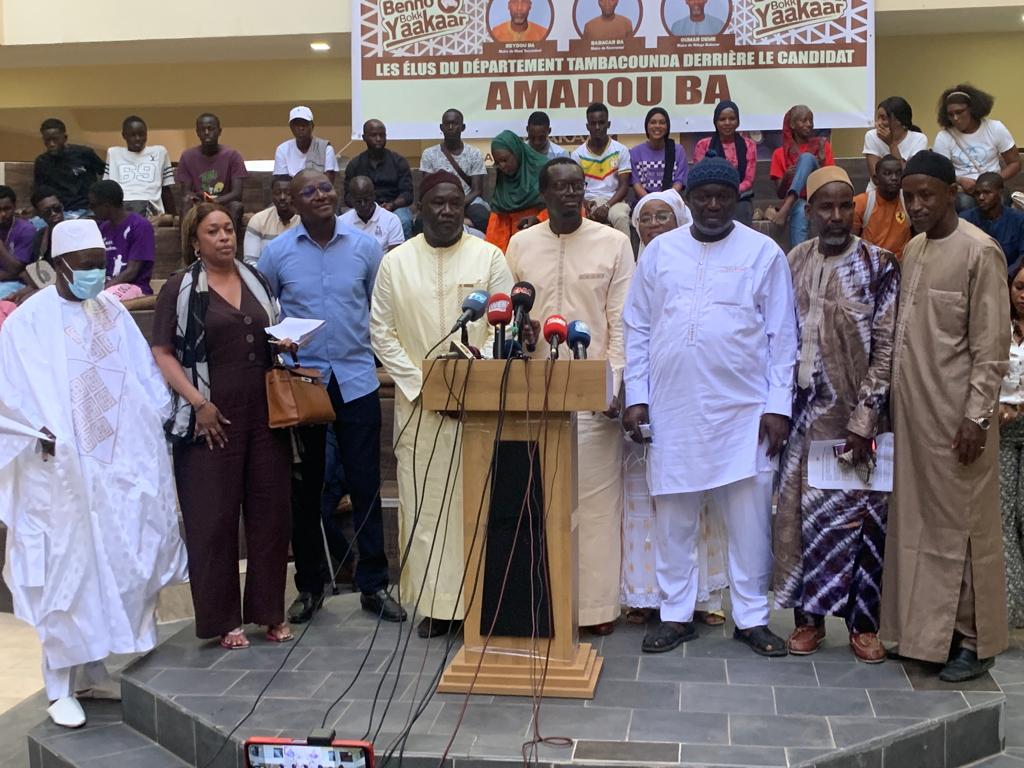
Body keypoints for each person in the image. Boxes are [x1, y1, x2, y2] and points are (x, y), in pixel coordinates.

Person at [0, 219, 188, 727]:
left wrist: (156, 423)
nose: (95, 276)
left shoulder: (110, 309)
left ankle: (92, 671)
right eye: (84, 267)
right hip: (57, 475)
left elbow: (141, 376)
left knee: (116, 566)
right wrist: (35, 430)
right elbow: (9, 395)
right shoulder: (28, 322)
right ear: (59, 266)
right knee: (66, 575)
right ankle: (58, 685)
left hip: (113, 468)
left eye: (99, 266)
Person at [622, 157, 798, 656]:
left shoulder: (764, 253)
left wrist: (778, 406)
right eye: (704, 197)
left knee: (749, 524)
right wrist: (637, 396)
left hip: (744, 413)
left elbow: (782, 336)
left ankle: (752, 617)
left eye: (723, 196)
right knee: (674, 521)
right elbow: (637, 327)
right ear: (690, 201)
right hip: (673, 411)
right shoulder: (661, 253)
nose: (714, 205)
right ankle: (675, 615)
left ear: (736, 199)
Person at [881, 150, 1010, 682]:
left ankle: (976, 643)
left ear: (951, 193)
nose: (916, 205)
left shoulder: (981, 251)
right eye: (909, 197)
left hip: (959, 422)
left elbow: (991, 346)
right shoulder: (913, 248)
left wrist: (977, 417)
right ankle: (927, 636)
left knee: (966, 529)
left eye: (926, 195)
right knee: (919, 528)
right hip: (915, 419)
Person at [370, 170, 514, 638]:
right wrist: (425, 386)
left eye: (456, 203)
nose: (448, 210)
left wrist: (471, 382)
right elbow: (382, 334)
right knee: (426, 507)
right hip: (419, 409)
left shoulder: (489, 256)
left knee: (481, 503)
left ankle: (483, 603)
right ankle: (436, 607)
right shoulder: (395, 263)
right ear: (420, 208)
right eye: (438, 202)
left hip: (478, 405)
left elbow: (505, 325)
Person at [259, 170, 403, 626]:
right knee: (306, 491)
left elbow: (379, 309)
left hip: (357, 380)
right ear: (293, 201)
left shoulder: (365, 247)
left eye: (325, 188)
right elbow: (266, 314)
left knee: (365, 485)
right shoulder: (277, 253)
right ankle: (310, 586)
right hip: (304, 384)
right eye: (309, 191)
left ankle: (374, 585)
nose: (320, 195)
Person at [773, 166, 899, 664]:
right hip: (802, 419)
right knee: (802, 522)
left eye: (845, 206)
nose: (837, 216)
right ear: (809, 211)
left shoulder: (879, 264)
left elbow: (886, 349)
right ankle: (809, 622)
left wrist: (865, 419)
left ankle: (863, 626)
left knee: (860, 525)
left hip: (855, 420)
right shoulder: (793, 261)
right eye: (826, 207)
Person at [152, 203, 292, 649]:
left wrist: (285, 341)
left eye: (228, 229)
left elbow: (270, 330)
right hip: (208, 418)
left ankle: (269, 613)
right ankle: (224, 620)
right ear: (195, 240)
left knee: (270, 515)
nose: (224, 237)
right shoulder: (179, 287)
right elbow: (162, 352)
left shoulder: (257, 280)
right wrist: (198, 403)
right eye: (212, 231)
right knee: (212, 520)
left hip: (264, 414)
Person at [506, 158, 634, 635]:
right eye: (559, 187)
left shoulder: (614, 243)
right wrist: (522, 334)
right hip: (534, 391)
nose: (569, 194)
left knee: (596, 504)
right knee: (539, 501)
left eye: (577, 186)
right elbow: (512, 314)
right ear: (543, 193)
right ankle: (544, 601)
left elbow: (621, 321)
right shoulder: (521, 244)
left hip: (593, 395)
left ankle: (595, 608)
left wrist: (612, 385)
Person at [623, 190, 729, 626]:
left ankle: (704, 598)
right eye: (645, 218)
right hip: (642, 403)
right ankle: (645, 596)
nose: (653, 225)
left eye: (662, 216)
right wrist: (633, 395)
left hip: (695, 402)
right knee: (644, 503)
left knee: (698, 499)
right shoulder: (630, 269)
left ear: (681, 219)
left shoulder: (700, 264)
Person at [933, 84, 1020, 212]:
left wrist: (993, 181)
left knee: (1000, 201)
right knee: (965, 204)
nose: (955, 118)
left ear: (972, 109)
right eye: (950, 114)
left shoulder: (995, 128)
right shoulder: (944, 137)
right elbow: (940, 171)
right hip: (962, 190)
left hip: (993, 185)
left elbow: (1015, 163)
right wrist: (960, 180)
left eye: (959, 112)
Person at [767, 105, 836, 247]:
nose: (809, 124)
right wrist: (786, 177)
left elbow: (831, 184)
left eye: (811, 120)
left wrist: (822, 161)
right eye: (804, 120)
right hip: (801, 203)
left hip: (819, 197)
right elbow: (780, 193)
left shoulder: (822, 145)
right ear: (792, 125)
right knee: (800, 209)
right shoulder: (779, 154)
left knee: (807, 158)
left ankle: (787, 205)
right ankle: (799, 258)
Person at [999, 262, 1024, 628]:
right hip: (1000, 430)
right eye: (1019, 286)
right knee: (1002, 515)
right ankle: (1010, 608)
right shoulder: (997, 328)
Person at [419, 109, 490, 233]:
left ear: (463, 127)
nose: (451, 127)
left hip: (467, 200)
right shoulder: (429, 154)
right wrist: (442, 203)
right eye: (447, 124)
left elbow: (477, 190)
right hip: (438, 200)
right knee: (420, 221)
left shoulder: (474, 153)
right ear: (441, 127)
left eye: (455, 123)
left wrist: (456, 203)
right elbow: (427, 188)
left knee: (482, 216)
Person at [176, 113, 248, 231]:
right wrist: (201, 201)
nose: (206, 132)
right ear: (197, 132)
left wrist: (214, 202)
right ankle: (186, 242)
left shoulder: (233, 155)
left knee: (237, 206)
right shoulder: (187, 156)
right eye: (202, 129)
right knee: (186, 202)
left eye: (211, 129)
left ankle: (229, 241)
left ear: (219, 131)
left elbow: (237, 193)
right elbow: (186, 192)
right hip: (198, 206)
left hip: (224, 205)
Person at [345, 120, 415, 239]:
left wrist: (392, 205)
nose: (378, 139)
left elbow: (407, 194)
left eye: (382, 135)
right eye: (374, 135)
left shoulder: (398, 162)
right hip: (363, 207)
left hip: (393, 207)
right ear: (364, 137)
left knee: (404, 220)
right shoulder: (355, 164)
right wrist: (365, 207)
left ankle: (403, 251)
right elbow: (348, 196)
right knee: (344, 222)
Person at [572, 103, 632, 239]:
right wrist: (585, 203)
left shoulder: (620, 150)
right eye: (593, 123)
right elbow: (575, 187)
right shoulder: (578, 154)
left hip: (614, 201)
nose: (597, 127)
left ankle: (627, 252)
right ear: (587, 126)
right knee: (581, 218)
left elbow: (624, 186)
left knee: (621, 217)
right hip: (589, 201)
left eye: (601, 122)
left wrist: (606, 206)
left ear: (608, 124)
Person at [693, 100, 758, 225]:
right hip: (710, 196)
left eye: (732, 119)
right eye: (722, 119)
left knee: (742, 209)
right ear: (715, 122)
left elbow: (749, 180)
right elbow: (700, 177)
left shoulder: (749, 145)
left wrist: (729, 191)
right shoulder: (703, 145)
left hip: (739, 197)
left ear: (738, 122)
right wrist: (718, 192)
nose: (727, 123)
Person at [88, 180, 156, 296]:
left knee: (104, 299)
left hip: (134, 286)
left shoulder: (139, 226)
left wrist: (102, 290)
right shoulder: (103, 228)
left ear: (106, 205)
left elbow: (132, 271)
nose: (91, 210)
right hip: (107, 287)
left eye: (93, 205)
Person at [485, 129, 548, 252]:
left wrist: (539, 220)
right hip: (511, 241)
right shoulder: (501, 177)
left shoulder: (543, 170)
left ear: (517, 152)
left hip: (541, 237)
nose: (502, 166)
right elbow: (497, 219)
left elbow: (557, 206)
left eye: (505, 160)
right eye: (498, 163)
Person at [104, 115, 176, 217]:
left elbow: (166, 189)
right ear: (124, 135)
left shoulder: (160, 152)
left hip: (150, 205)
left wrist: (174, 217)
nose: (137, 139)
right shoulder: (113, 153)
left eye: (141, 134)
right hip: (122, 205)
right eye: (132, 135)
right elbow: (107, 189)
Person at [33, 118, 104, 220]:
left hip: (87, 209)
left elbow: (104, 173)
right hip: (59, 212)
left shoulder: (85, 153)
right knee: (34, 224)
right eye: (47, 140)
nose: (51, 144)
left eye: (55, 139)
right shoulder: (42, 162)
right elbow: (40, 192)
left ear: (65, 138)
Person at [854, 154, 913, 259]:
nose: (894, 178)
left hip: (902, 264)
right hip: (871, 264)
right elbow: (852, 243)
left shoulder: (909, 201)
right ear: (876, 179)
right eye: (887, 173)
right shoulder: (862, 203)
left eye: (898, 173)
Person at [961, 172, 1024, 270]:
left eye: (987, 193)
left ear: (1000, 193)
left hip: (1010, 274)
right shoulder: (965, 220)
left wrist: (1006, 275)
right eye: (977, 193)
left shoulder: (1019, 219)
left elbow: (1022, 256)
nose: (981, 197)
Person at [862, 97, 928, 185]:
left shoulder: (919, 139)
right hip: (878, 190)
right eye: (878, 118)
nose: (878, 123)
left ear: (899, 120)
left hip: (906, 190)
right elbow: (876, 178)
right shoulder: (871, 136)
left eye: (883, 118)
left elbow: (909, 177)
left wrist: (892, 144)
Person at [630, 107, 687, 199]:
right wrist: (651, 202)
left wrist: (664, 201)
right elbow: (637, 184)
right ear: (646, 127)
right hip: (644, 201)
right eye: (653, 122)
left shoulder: (677, 151)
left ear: (667, 127)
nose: (657, 126)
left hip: (671, 200)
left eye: (662, 122)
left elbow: (678, 182)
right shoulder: (635, 152)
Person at [242, 175, 299, 266]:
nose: (282, 197)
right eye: (277, 193)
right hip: (263, 273)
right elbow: (250, 261)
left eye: (287, 193)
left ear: (295, 195)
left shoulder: (305, 220)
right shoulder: (258, 220)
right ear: (272, 196)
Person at [339, 176, 405, 253]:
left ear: (374, 196)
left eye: (367, 200)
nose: (363, 204)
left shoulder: (391, 220)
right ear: (351, 199)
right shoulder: (342, 222)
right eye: (358, 201)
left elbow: (395, 256)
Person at [273, 106, 339, 182]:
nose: (301, 128)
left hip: (318, 189)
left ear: (312, 126)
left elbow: (328, 183)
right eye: (297, 125)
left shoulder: (325, 149)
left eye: (305, 124)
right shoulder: (282, 150)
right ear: (291, 127)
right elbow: (282, 183)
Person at [0, 186, 38, 299]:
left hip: (16, 283)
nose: (2, 214)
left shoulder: (26, 230)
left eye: (7, 209)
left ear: (14, 206)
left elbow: (16, 270)